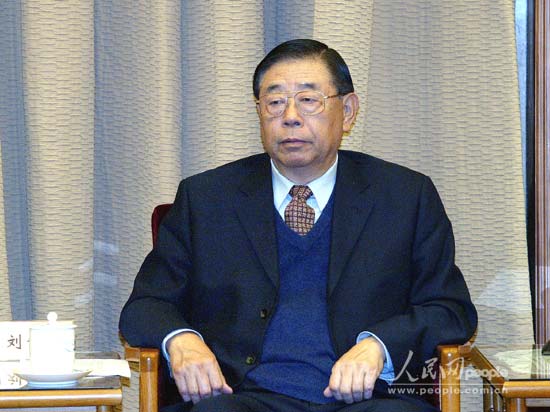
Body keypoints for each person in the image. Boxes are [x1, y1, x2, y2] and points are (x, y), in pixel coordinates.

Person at [120, 39, 477, 412]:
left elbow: (450, 309)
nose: (290, 116)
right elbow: (145, 305)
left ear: (348, 111)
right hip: (241, 399)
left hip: (369, 400)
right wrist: (181, 340)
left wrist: (378, 346)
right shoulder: (206, 198)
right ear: (260, 113)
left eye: (308, 100)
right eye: (275, 102)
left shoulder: (405, 196)